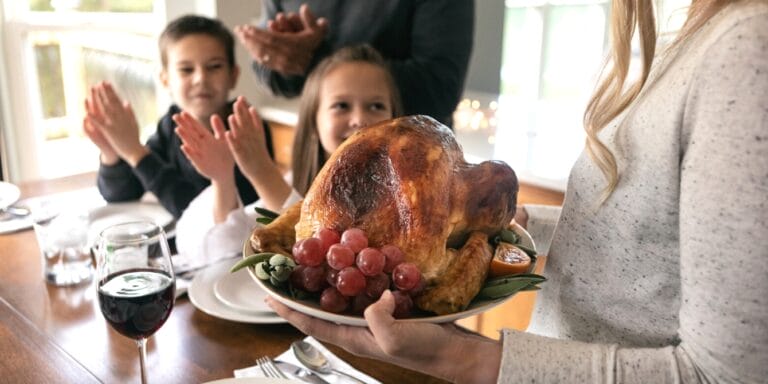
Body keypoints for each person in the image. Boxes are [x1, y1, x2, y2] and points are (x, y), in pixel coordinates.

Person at [266, 0, 768, 382]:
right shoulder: (694, 37)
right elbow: (653, 239)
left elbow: (722, 375)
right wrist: (516, 223)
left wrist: (457, 355)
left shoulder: (747, 46)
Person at [174, 45, 403, 263]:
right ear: (314, 121)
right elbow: (227, 250)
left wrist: (264, 175)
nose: (359, 119)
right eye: (341, 106)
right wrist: (222, 180)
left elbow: (334, 260)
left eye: (376, 106)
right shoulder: (296, 181)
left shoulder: (409, 197)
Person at [83, 14, 273, 219]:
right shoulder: (170, 125)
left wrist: (135, 152)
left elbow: (202, 212)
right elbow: (122, 194)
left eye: (214, 67)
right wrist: (112, 153)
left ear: (233, 75)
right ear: (165, 80)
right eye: (186, 70)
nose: (201, 78)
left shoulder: (247, 128)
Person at [234, 1, 473, 126]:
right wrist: (283, 57)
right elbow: (266, 74)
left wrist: (315, 61)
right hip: (321, 158)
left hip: (413, 168)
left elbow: (440, 89)